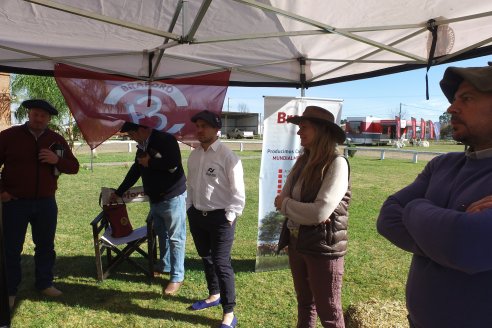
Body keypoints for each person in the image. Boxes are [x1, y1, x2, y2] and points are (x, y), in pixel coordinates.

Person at [377, 64, 492, 328]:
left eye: (467, 98)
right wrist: (443, 240)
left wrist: (415, 208)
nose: (451, 108)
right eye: (454, 99)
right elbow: (387, 218)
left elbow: (466, 244)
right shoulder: (443, 164)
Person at [274, 106, 351, 328]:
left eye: (304, 127)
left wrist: (289, 206)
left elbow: (319, 212)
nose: (299, 132)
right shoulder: (301, 162)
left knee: (329, 312)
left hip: (323, 248)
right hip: (297, 241)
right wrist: (298, 209)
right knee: (305, 304)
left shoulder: (337, 164)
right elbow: (281, 200)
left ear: (321, 131)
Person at [0, 99, 79, 309]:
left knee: (45, 246)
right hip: (14, 204)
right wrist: (2, 192)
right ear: (28, 114)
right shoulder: (9, 137)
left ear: (49, 119)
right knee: (11, 249)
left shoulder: (56, 139)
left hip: (46, 204)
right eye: (35, 114)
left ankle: (44, 283)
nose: (38, 118)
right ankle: (9, 290)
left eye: (43, 116)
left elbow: (74, 167)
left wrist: (57, 160)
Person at [110, 122, 186, 295]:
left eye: (132, 134)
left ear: (144, 128)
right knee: (161, 233)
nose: (131, 138)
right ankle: (165, 265)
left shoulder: (166, 140)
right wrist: (120, 191)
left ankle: (177, 277)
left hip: (172, 197)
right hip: (155, 199)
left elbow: (173, 164)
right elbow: (135, 171)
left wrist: (150, 162)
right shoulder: (141, 148)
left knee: (176, 238)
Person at [186, 110, 245, 328]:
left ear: (215, 128)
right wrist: (190, 208)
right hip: (197, 216)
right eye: (197, 126)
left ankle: (229, 313)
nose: (199, 130)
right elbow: (191, 185)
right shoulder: (194, 154)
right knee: (206, 257)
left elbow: (238, 191)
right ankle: (214, 294)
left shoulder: (227, 156)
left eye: (204, 126)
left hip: (221, 218)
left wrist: (230, 215)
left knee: (221, 263)